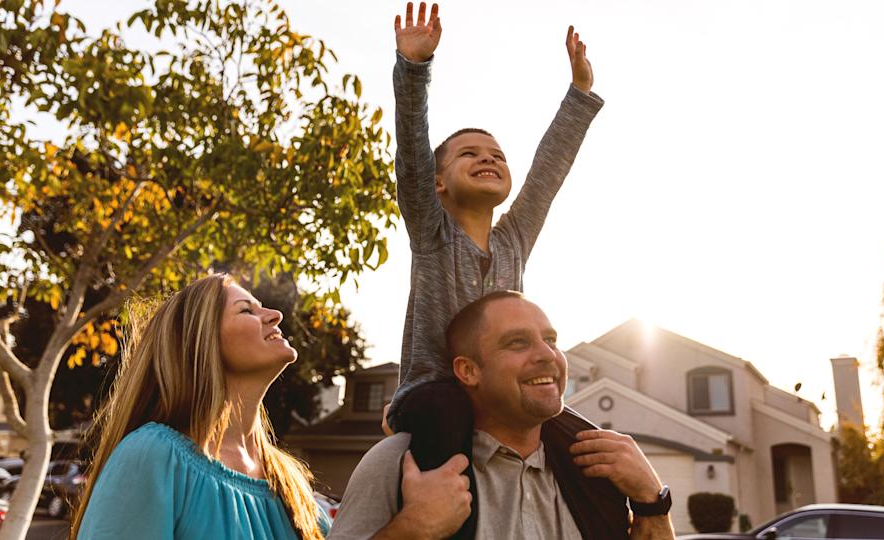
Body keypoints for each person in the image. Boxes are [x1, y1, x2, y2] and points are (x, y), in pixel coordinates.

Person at [385, 3, 605, 537]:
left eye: (497, 154)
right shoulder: (432, 233)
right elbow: (413, 154)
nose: (488, 157)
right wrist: (414, 69)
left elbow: (548, 173)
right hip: (433, 390)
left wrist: (578, 96)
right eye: (468, 154)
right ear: (438, 183)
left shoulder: (514, 239)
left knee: (588, 443)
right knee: (446, 415)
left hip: (501, 392)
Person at [330, 291, 675, 539]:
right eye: (517, 343)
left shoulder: (593, 471)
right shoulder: (403, 463)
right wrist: (411, 529)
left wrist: (652, 500)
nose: (547, 355)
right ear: (468, 371)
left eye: (551, 340)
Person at [71, 274, 330, 539]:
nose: (275, 315)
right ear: (202, 341)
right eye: (246, 310)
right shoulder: (153, 455)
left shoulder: (288, 480)